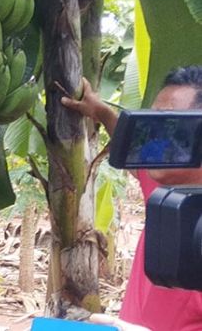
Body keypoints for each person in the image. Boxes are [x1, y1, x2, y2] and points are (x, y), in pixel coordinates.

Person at [61, 65, 202, 331]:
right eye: (151, 124)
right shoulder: (168, 184)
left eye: (170, 127)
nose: (154, 139)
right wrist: (102, 113)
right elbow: (135, 147)